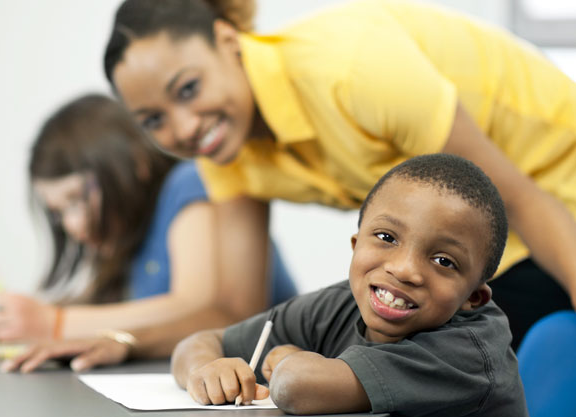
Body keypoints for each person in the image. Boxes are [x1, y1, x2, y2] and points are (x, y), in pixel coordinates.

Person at [103, 0, 576, 349]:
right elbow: (237, 308)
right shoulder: (223, 149)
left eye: (188, 88)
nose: (182, 127)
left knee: (417, 361)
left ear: (229, 42)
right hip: (483, 238)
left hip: (554, 199)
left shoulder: (351, 69)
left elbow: (520, 200)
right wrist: (122, 340)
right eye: (153, 120)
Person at [172, 154, 531, 417]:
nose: (405, 270)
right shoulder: (339, 303)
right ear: (357, 245)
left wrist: (287, 358)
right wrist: (206, 372)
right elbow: (197, 344)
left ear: (473, 298)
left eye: (443, 262)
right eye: (387, 237)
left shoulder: (469, 353)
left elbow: (295, 386)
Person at [0, 94, 296, 372]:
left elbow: (200, 305)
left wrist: (54, 323)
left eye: (77, 199)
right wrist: (15, 320)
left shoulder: (189, 181)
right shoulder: (124, 239)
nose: (71, 225)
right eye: (58, 213)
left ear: (135, 164)